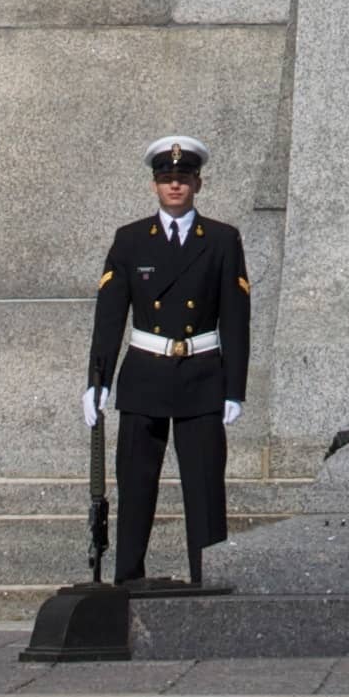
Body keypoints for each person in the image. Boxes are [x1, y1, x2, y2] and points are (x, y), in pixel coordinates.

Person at [84, 136, 250, 589]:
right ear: (155, 186)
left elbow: (236, 318)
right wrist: (96, 380)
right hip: (145, 374)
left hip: (200, 374)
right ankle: (128, 582)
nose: (174, 186)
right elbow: (110, 316)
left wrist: (235, 387)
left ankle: (209, 580)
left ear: (198, 183)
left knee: (205, 491)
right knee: (136, 487)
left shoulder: (220, 239)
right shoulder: (131, 239)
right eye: (166, 179)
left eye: (182, 179)